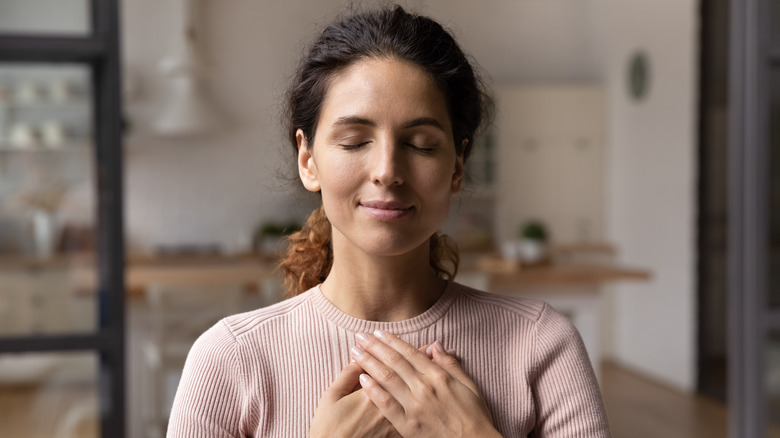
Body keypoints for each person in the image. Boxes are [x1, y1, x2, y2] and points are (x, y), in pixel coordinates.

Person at [167, 5, 611, 437]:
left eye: (420, 144)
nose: (387, 170)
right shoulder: (230, 359)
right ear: (308, 160)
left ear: (457, 167)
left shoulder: (541, 345)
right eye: (355, 140)